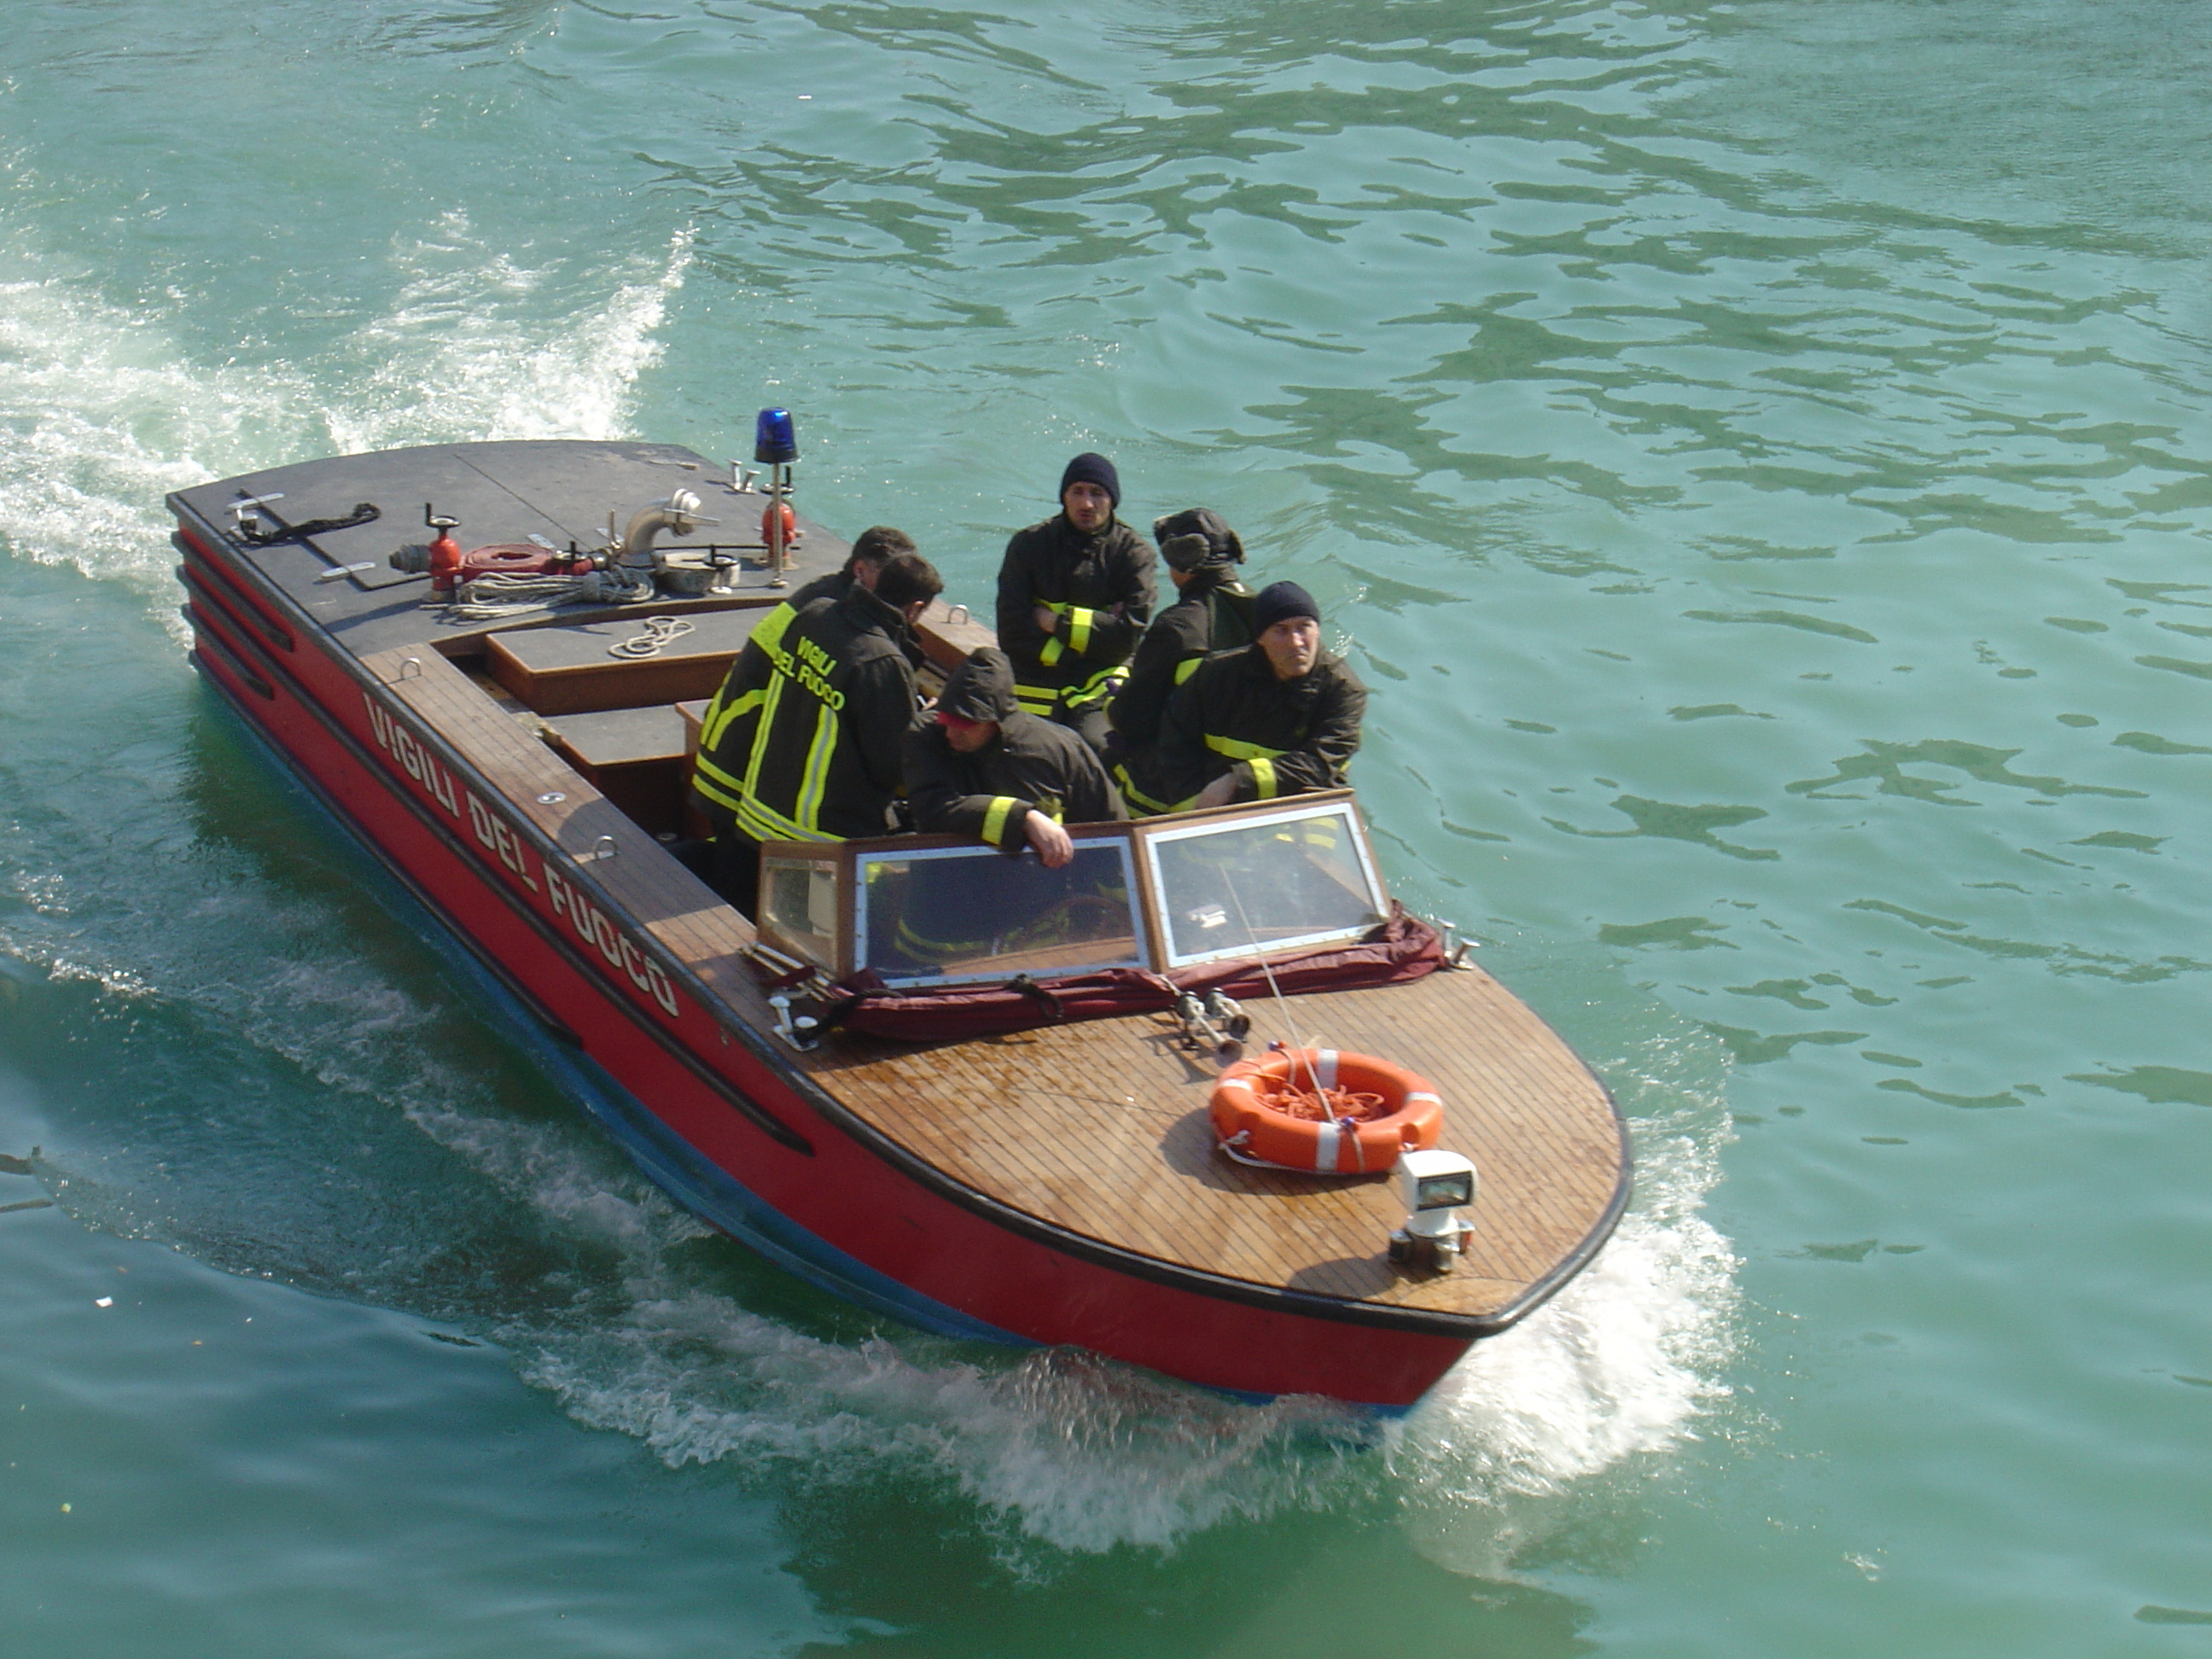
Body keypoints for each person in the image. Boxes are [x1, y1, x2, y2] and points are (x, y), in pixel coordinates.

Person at [697, 550, 944, 913]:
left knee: (755, 919)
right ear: (915, 608)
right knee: (811, 937)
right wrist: (925, 724)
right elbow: (891, 765)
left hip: (757, 817)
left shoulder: (814, 616)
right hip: (821, 839)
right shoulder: (883, 663)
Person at [692, 525, 921, 834]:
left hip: (734, 749)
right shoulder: (839, 620)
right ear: (860, 570)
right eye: (893, 575)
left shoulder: (823, 602)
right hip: (740, 760)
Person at [1151, 580, 1365, 811]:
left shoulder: (1343, 691)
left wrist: (1237, 780)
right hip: (1217, 805)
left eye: (1304, 627)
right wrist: (1195, 811)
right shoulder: (1215, 675)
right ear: (1260, 638)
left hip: (1303, 809)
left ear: (1318, 631)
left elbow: (1321, 762)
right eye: (1281, 630)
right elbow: (1175, 744)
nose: (1296, 642)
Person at [902, 648, 1125, 866]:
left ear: (997, 721)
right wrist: (1024, 819)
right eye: (946, 721)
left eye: (965, 726)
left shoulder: (1060, 748)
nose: (951, 733)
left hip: (1035, 884)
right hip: (946, 880)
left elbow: (1112, 826)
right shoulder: (925, 737)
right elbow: (932, 808)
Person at [995, 452, 1154, 756]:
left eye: (1097, 493)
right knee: (1013, 747)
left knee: (1100, 747)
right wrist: (1094, 634)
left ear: (1113, 500)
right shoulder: (1028, 545)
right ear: (1064, 497)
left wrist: (1053, 622)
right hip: (1033, 679)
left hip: (1098, 684)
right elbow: (1011, 633)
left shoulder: (1133, 554)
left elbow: (1125, 639)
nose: (1087, 504)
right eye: (1077, 492)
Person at [1107, 507, 1255, 813]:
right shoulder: (1268, 614)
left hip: (1166, 794)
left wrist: (1118, 688)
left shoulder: (1177, 627)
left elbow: (1131, 718)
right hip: (1246, 787)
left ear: (1181, 557)